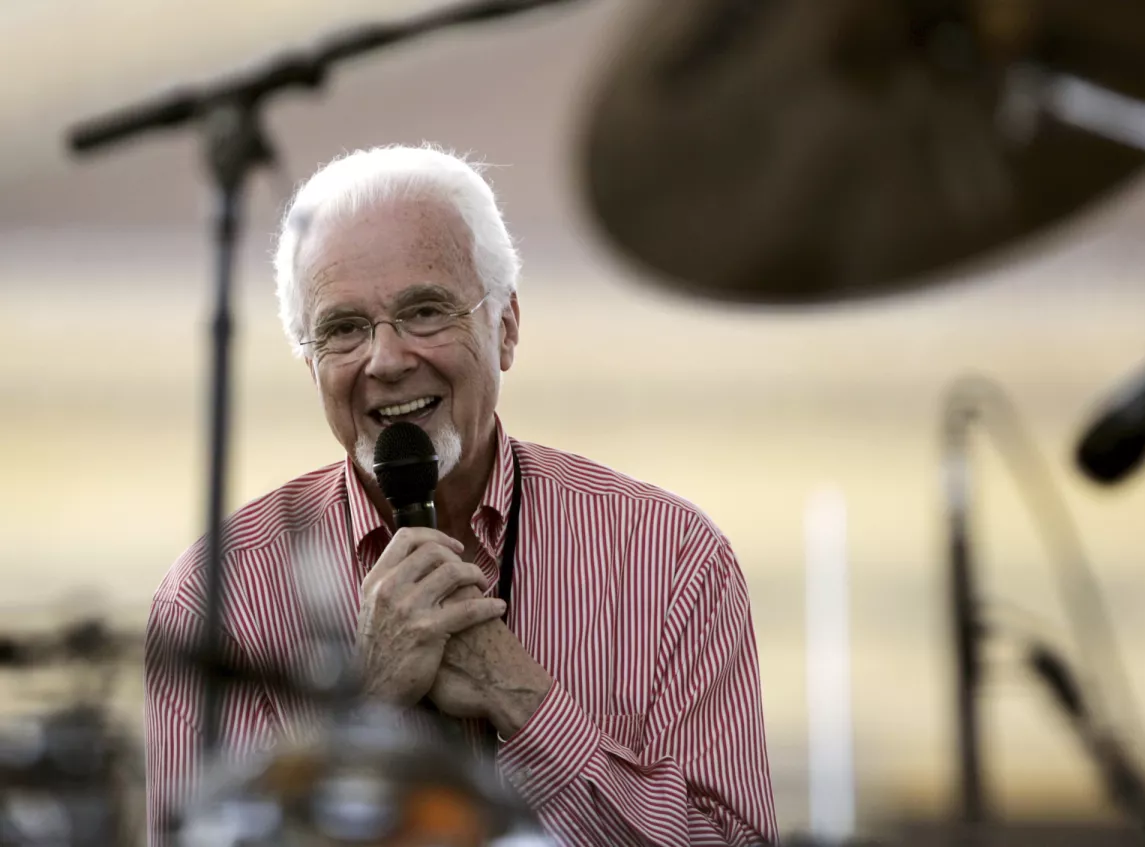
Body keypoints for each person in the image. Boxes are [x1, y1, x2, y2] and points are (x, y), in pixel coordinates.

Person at [145, 144, 779, 846]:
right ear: (310, 362)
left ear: (506, 327)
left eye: (424, 312)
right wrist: (364, 709)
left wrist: (525, 702)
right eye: (345, 329)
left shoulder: (671, 559)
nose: (386, 360)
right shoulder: (214, 596)